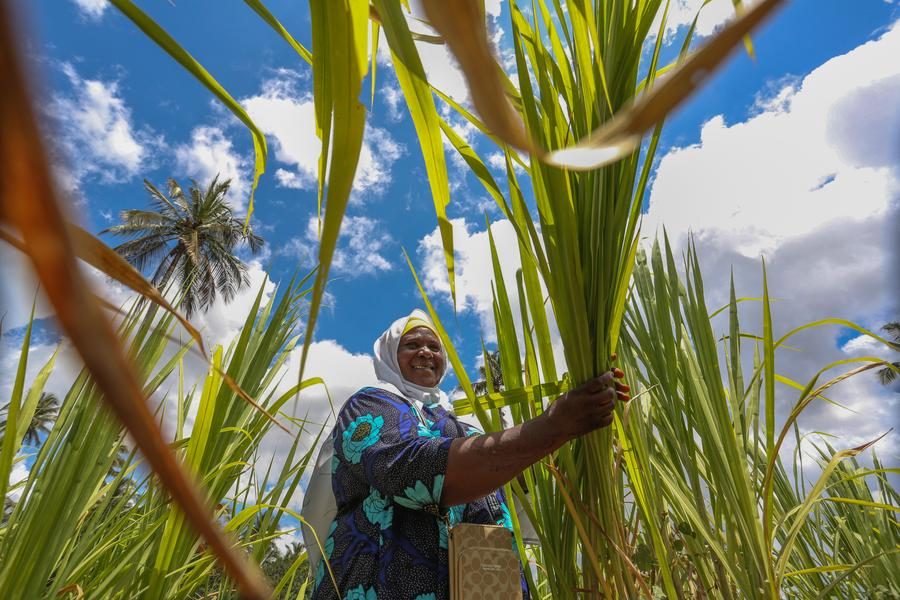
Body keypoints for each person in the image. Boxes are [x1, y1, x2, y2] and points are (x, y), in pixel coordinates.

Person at [311, 309, 629, 600]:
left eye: (434, 347)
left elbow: (526, 481)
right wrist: (553, 425)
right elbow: (411, 469)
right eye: (411, 345)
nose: (425, 351)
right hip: (378, 586)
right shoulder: (369, 407)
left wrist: (591, 412)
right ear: (389, 355)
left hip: (482, 585)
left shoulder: (464, 429)